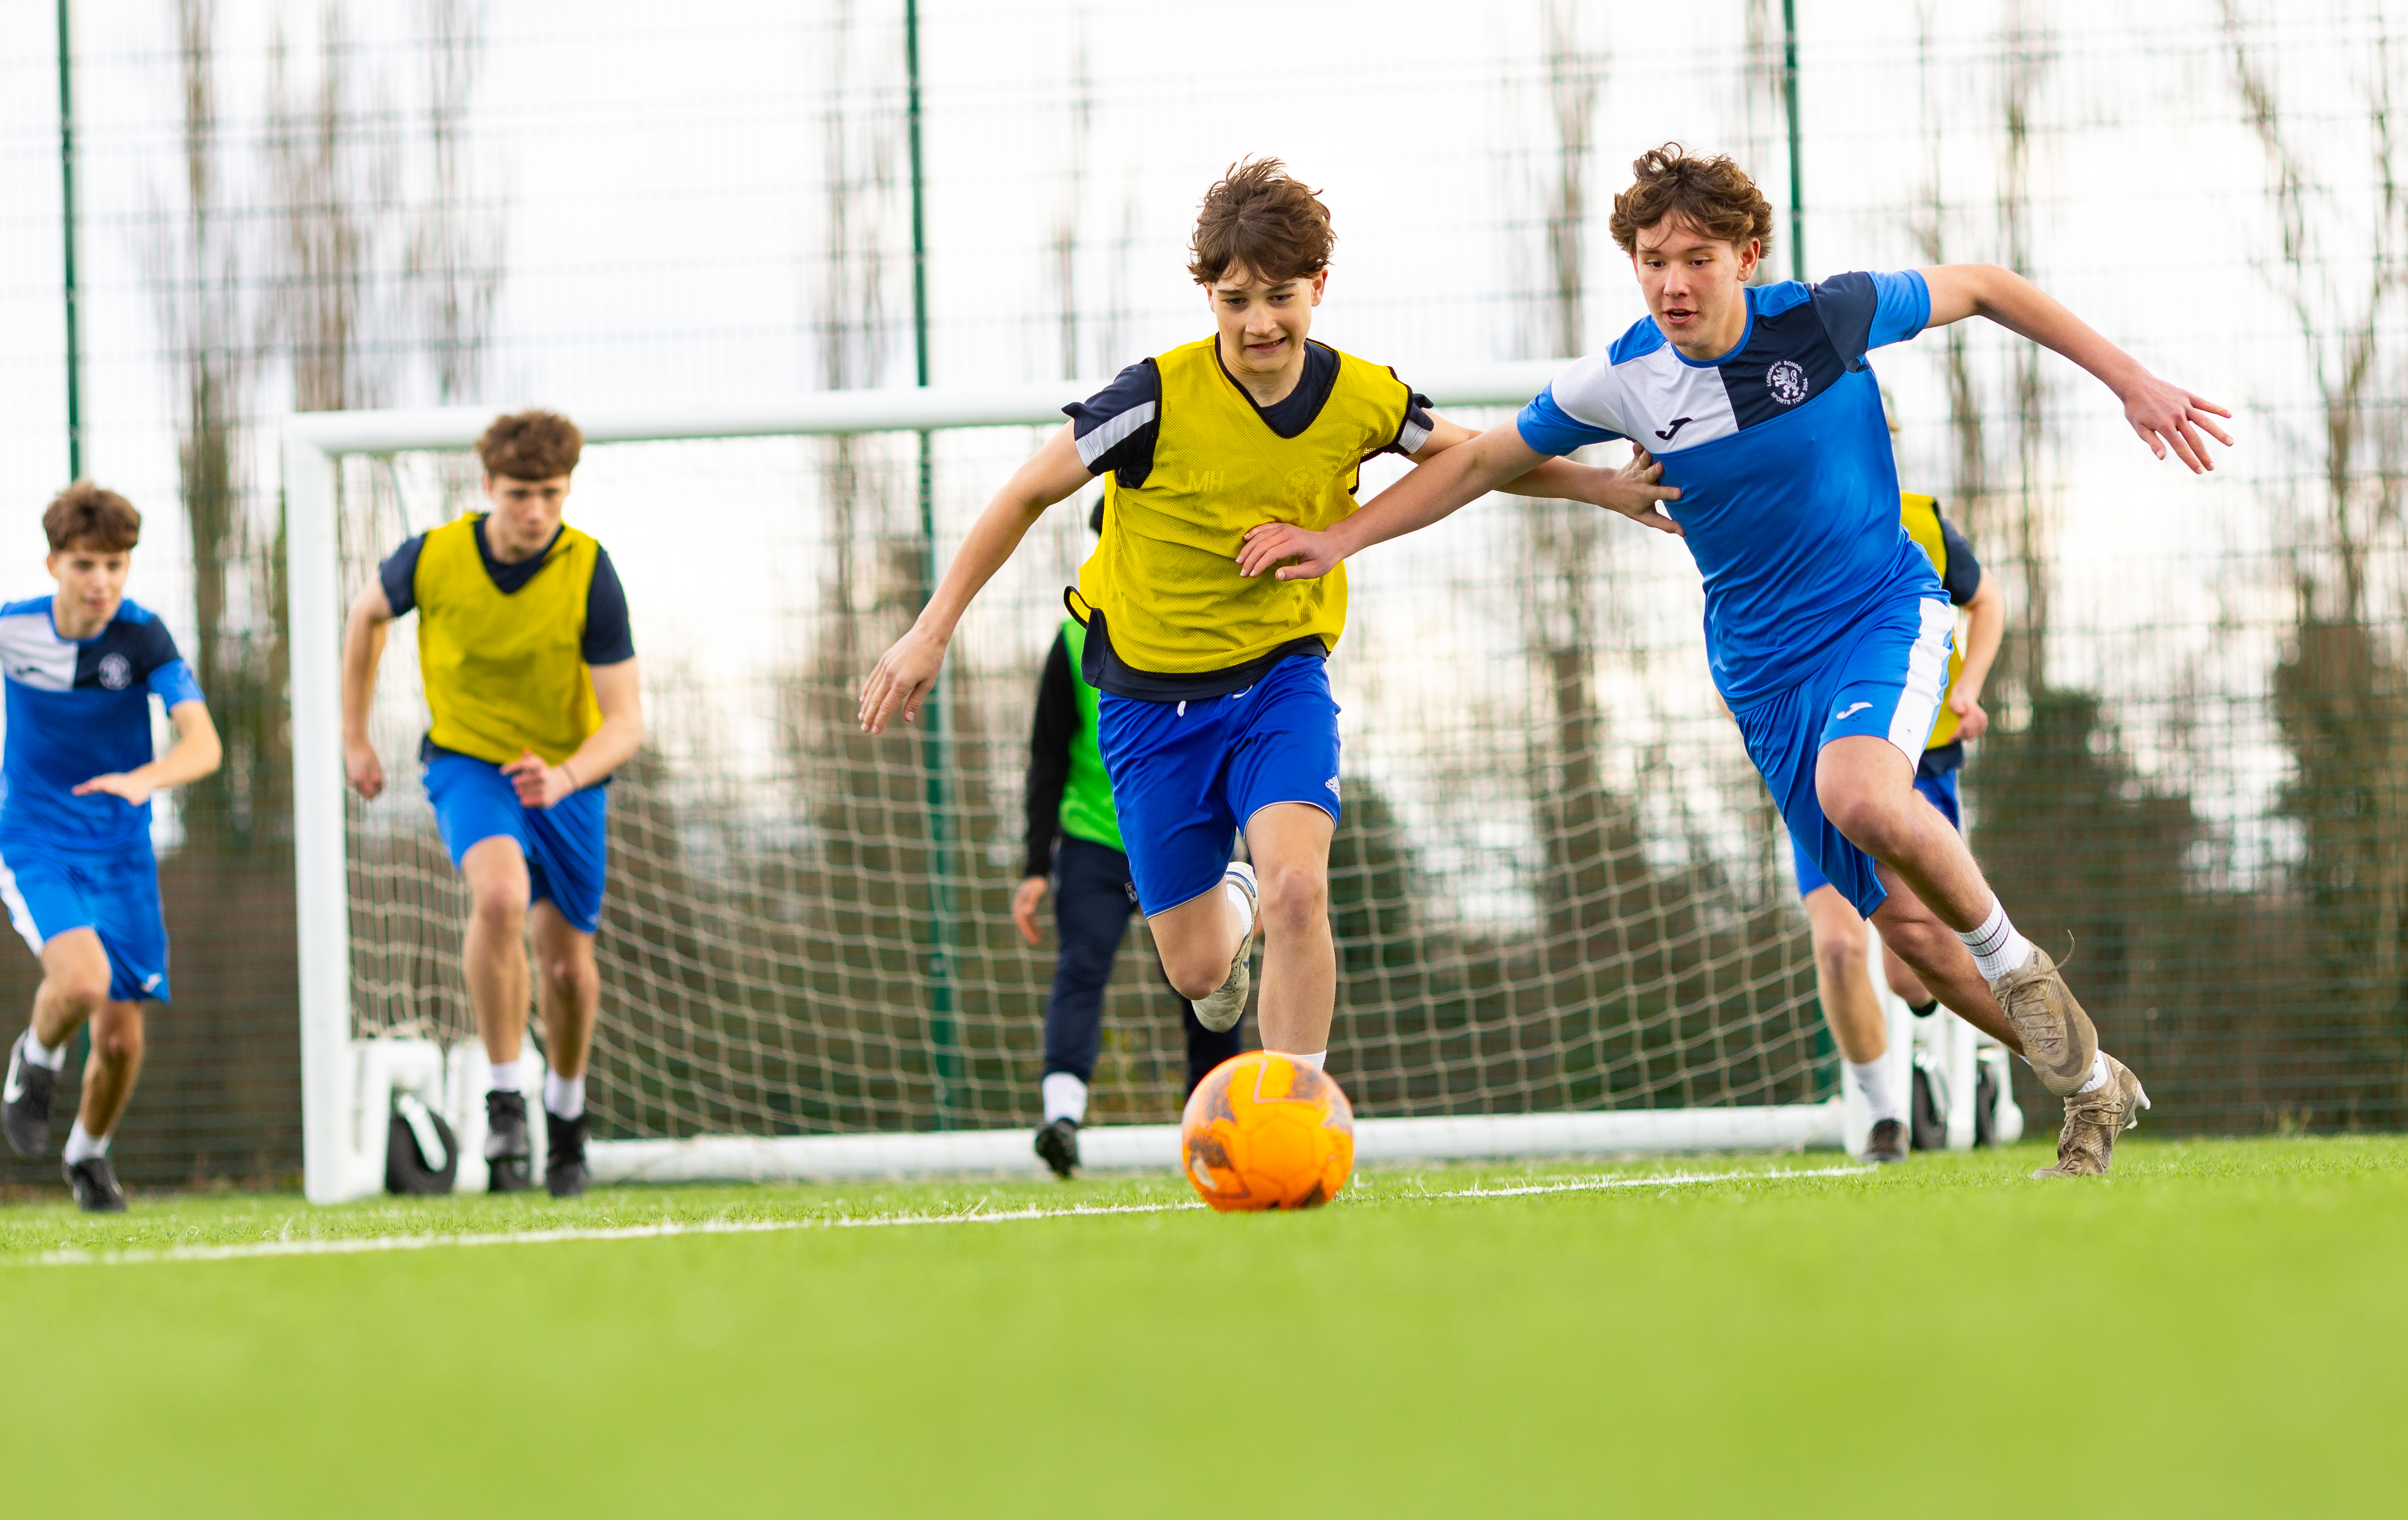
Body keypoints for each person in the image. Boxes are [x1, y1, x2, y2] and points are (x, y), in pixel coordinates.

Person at [1234, 144, 2230, 1179]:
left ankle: (2018, 966)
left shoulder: (1824, 318)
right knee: (1911, 947)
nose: (1673, 280)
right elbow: (1484, 462)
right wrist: (1340, 538)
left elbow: (1982, 286)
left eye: (1698, 257)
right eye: (1653, 258)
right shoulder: (1623, 379)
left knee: (1866, 797)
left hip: (1882, 616)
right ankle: (2089, 1084)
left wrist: (2132, 381)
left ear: (1746, 256)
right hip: (1760, 680)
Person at [858, 158, 1672, 1100]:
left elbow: (1484, 457)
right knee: (1199, 973)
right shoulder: (1153, 399)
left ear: (1317, 288)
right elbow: (1027, 493)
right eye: (1235, 298)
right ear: (1206, 291)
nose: (1258, 323)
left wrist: (1602, 486)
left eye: (1280, 296)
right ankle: (1229, 900)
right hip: (1144, 697)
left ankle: (1296, 1115)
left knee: (1299, 888)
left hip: (1281, 678)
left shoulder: (1360, 397)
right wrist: (932, 630)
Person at [340, 410, 645, 1198]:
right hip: (470, 764)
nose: (535, 510)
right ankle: (506, 1095)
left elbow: (627, 721)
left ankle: (567, 1115)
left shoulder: (589, 571)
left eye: (550, 493)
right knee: (501, 896)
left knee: (567, 971)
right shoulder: (434, 557)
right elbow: (365, 615)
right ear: (488, 489)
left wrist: (569, 777)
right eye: (519, 494)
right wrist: (356, 737)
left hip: (567, 777)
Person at [0, 482, 224, 1214]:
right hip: (33, 839)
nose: (101, 581)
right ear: (54, 565)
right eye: (85, 564)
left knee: (119, 1044)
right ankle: (37, 1057)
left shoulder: (145, 638)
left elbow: (202, 744)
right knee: (81, 983)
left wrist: (147, 779)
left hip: (121, 853)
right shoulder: (10, 627)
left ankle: (87, 1155)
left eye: (116, 564)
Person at [1019, 498, 1257, 1177]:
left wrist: (1247, 858)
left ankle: (1217, 1127)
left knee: (1206, 979)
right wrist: (1036, 865)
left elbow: (1227, 745)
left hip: (1181, 836)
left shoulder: (1199, 629)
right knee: (1082, 966)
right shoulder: (1073, 641)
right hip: (1094, 840)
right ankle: (1061, 1118)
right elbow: (1047, 756)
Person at [1807, 469, 2006, 1162]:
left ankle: (1977, 1049)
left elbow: (1989, 602)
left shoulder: (1920, 523)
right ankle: (1884, 1113)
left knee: (1909, 970)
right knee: (1837, 949)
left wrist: (1969, 689)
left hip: (1919, 763)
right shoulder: (1767, 518)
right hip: (1815, 766)